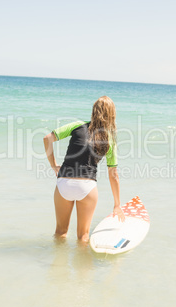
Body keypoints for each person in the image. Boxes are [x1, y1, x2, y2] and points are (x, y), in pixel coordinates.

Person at [43, 96, 125, 242]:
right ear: (112, 115)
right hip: (87, 187)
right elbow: (114, 175)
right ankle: (84, 265)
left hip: (64, 184)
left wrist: (53, 165)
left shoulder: (77, 126)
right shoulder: (109, 139)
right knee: (83, 236)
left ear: (94, 111)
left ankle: (57, 264)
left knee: (60, 232)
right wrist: (117, 204)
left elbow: (47, 138)